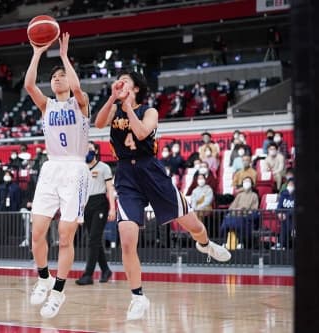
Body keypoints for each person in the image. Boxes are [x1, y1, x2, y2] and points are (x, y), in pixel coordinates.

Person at [94, 70, 230, 321]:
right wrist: (112, 100)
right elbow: (98, 124)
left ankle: (206, 245)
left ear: (135, 88)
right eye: (118, 80)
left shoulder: (149, 110)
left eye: (125, 81)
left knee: (192, 224)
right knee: (126, 238)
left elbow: (143, 132)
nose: (119, 83)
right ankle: (137, 296)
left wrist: (127, 107)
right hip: (125, 174)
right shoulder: (114, 109)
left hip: (151, 170)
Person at [24, 32, 90, 319]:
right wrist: (38, 52)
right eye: (54, 77)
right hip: (51, 168)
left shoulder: (80, 102)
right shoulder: (46, 105)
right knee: (36, 233)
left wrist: (64, 56)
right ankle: (43, 278)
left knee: (65, 236)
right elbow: (28, 84)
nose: (58, 79)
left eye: (61, 75)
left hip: (75, 168)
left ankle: (59, 291)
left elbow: (77, 88)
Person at [75, 142, 115, 286]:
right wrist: (78, 211)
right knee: (94, 240)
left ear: (96, 151)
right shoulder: (82, 169)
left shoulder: (104, 167)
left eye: (89, 149)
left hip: (100, 204)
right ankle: (106, 270)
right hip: (87, 205)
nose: (86, 152)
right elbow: (79, 192)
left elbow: (110, 189)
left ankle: (88, 275)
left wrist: (112, 208)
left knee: (93, 240)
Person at [219, 177, 259, 248]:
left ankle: (240, 242)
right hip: (235, 214)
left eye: (248, 181)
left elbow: (254, 209)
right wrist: (237, 210)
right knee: (227, 219)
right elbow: (231, 207)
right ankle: (224, 242)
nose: (246, 183)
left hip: (245, 216)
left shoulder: (254, 195)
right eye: (245, 181)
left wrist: (244, 210)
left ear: (252, 184)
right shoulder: (239, 195)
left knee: (239, 222)